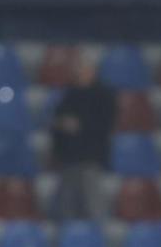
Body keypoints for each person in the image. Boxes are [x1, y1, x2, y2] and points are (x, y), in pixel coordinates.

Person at [48, 55, 116, 221]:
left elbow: (104, 124)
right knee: (66, 203)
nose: (80, 73)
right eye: (78, 70)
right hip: (69, 158)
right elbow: (57, 121)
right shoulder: (69, 94)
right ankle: (68, 238)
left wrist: (80, 125)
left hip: (91, 157)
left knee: (93, 202)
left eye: (84, 69)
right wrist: (62, 126)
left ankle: (98, 239)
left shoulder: (103, 95)